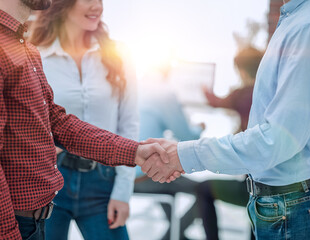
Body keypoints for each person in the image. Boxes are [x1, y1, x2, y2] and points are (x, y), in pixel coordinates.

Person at [141, 0, 310, 239]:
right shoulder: (296, 22)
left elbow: (276, 141)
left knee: (200, 189)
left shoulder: (307, 28)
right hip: (278, 199)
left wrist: (184, 154)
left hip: (291, 203)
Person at [0, 1, 171, 239]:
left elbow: (57, 121)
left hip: (90, 183)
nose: (97, 6)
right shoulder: (19, 48)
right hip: (35, 200)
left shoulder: (25, 48)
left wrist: (135, 152)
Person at [28, 0, 137, 239]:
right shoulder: (36, 53)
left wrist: (123, 192)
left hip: (103, 181)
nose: (97, 6)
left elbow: (128, 124)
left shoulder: (117, 55)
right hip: (52, 180)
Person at [198, 46, 263, 240]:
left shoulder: (241, 94)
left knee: (203, 189)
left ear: (241, 70)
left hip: (252, 185)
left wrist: (201, 86)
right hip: (276, 185)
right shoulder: (271, 92)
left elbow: (215, 101)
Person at [134, 67, 204, 240]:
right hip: (146, 176)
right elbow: (187, 135)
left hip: (119, 176)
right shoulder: (163, 93)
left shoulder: (132, 89)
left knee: (166, 178)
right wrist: (199, 128)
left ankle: (176, 233)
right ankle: (173, 235)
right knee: (204, 191)